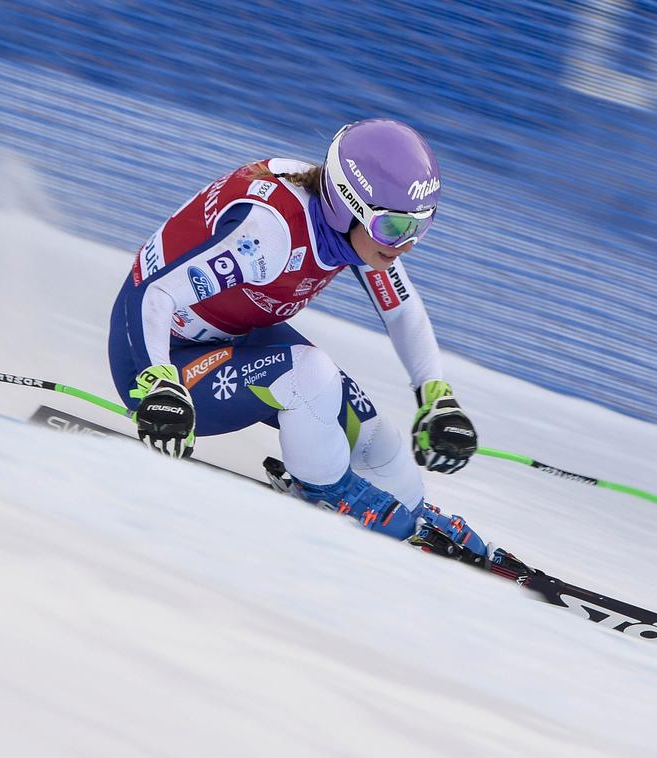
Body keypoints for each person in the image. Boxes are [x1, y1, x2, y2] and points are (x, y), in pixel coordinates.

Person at [108, 118, 488, 562]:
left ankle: (409, 508)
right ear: (348, 207)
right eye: (394, 229)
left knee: (378, 444)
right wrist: (159, 384)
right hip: (160, 359)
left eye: (420, 228)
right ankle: (328, 491)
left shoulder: (351, 228)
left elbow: (402, 308)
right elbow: (154, 293)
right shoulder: (271, 236)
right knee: (310, 376)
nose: (406, 245)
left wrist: (436, 396)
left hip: (231, 336)